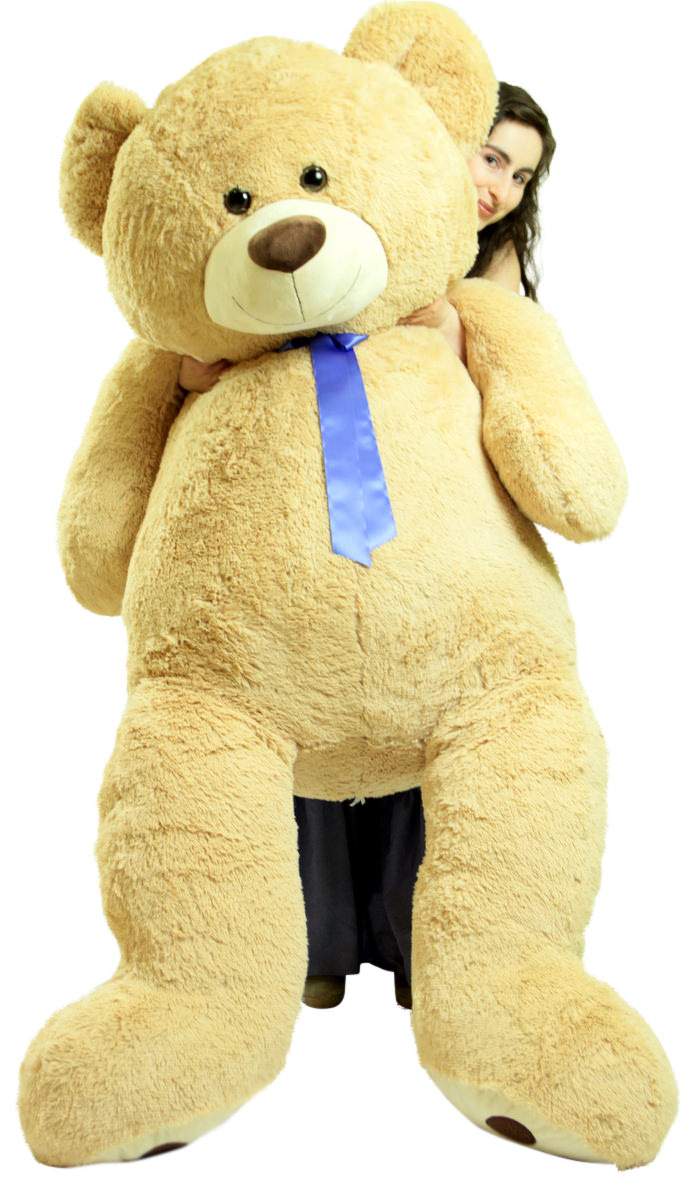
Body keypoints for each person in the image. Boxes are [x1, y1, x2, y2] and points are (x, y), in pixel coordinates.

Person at [177, 82, 556, 1011]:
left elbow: (517, 379)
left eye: (519, 175)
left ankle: (418, 946)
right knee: (308, 712)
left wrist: (459, 330)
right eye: (490, 156)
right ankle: (319, 945)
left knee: (429, 733)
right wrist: (199, 374)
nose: (498, 187)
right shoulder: (347, 207)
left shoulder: (489, 263)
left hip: (434, 522)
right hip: (305, 502)